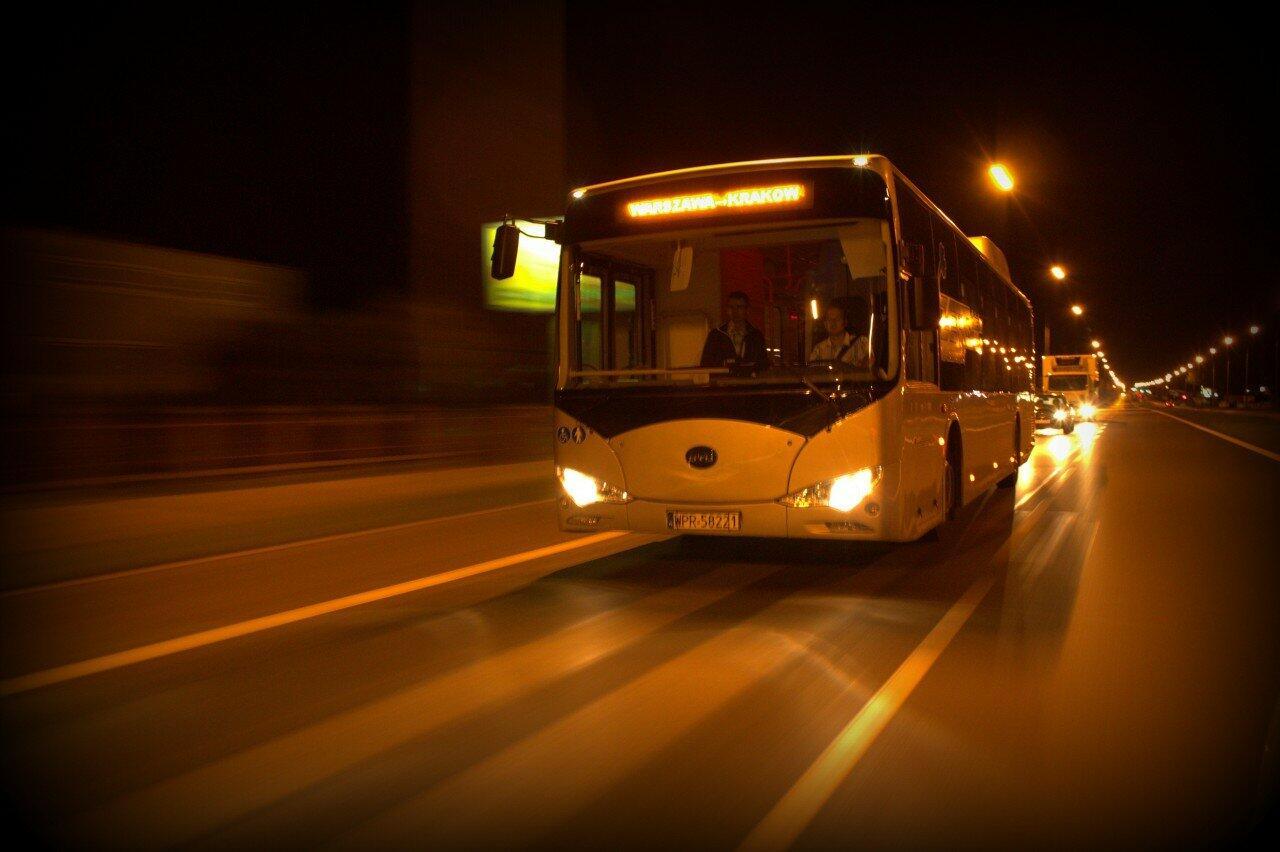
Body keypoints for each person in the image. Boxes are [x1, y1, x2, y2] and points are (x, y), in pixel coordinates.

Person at [700, 290, 768, 368]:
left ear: (747, 310)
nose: (735, 311)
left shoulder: (756, 335)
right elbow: (706, 362)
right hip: (723, 379)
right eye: (731, 307)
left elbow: (763, 363)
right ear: (727, 310)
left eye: (739, 307)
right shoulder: (716, 335)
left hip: (748, 378)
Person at [808, 301, 869, 366]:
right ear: (825, 324)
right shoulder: (818, 349)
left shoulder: (861, 343)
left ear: (845, 322)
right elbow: (811, 372)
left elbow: (872, 368)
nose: (833, 323)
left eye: (837, 319)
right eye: (829, 319)